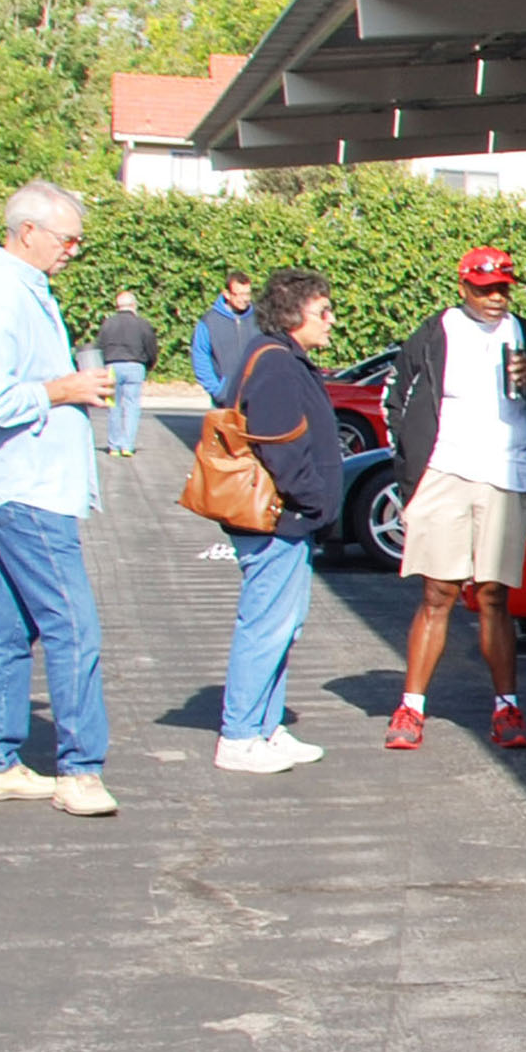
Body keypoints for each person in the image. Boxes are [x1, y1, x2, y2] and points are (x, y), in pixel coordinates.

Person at [0, 181, 118, 816]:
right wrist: (64, 389)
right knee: (73, 625)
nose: (72, 249)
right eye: (65, 238)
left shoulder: (21, 292)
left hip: (26, 485)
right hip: (24, 488)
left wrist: (64, 389)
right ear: (26, 232)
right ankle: (80, 770)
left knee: (8, 624)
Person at [383, 246, 526, 752]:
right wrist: (412, 480)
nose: (496, 298)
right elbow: (395, 401)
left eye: (504, 288)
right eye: (485, 289)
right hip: (445, 472)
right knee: (437, 594)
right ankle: (410, 708)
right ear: (463, 287)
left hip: (507, 475)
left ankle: (507, 709)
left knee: (494, 596)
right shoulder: (435, 332)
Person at [214, 269, 346, 774]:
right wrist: (312, 500)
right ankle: (240, 734)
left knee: (283, 626)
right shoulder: (275, 363)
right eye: (323, 311)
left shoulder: (278, 357)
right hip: (275, 519)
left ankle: (265, 727)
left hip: (287, 519)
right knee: (266, 625)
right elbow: (280, 446)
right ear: (295, 315)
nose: (331, 320)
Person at [94, 288, 158, 456]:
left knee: (114, 406)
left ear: (117, 306)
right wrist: (149, 364)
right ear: (133, 305)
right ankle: (127, 446)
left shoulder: (108, 323)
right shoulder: (142, 324)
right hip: (135, 366)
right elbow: (151, 347)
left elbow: (100, 346)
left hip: (112, 366)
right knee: (132, 406)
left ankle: (114, 446)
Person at [190, 266, 258, 407]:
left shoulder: (260, 318)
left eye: (247, 294)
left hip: (257, 393)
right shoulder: (209, 321)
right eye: (239, 294)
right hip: (225, 397)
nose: (244, 299)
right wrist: (217, 390)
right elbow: (200, 355)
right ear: (227, 294)